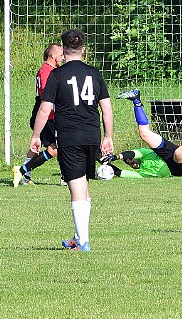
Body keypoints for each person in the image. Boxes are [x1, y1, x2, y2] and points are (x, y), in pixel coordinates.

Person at [30, 29, 113, 252]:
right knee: (83, 184)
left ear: (64, 51)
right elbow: (106, 107)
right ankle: (78, 236)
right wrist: (108, 136)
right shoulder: (94, 74)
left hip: (69, 136)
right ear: (83, 50)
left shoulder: (57, 75)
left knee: (75, 187)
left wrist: (36, 135)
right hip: (92, 135)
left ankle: (84, 243)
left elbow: (45, 108)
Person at [100, 91, 182, 179]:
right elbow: (121, 173)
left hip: (166, 154)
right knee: (180, 153)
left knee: (144, 134)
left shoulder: (145, 154)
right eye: (129, 164)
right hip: (177, 169)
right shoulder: (142, 174)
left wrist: (115, 157)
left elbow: (133, 153)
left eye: (129, 160)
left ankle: (136, 100)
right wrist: (105, 164)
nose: (131, 163)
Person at [13, 42, 63, 186]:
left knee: (38, 146)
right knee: (58, 146)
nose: (63, 58)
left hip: (45, 113)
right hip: (47, 115)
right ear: (52, 55)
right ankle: (24, 170)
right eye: (61, 55)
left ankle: (25, 175)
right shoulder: (47, 71)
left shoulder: (48, 70)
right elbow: (47, 97)